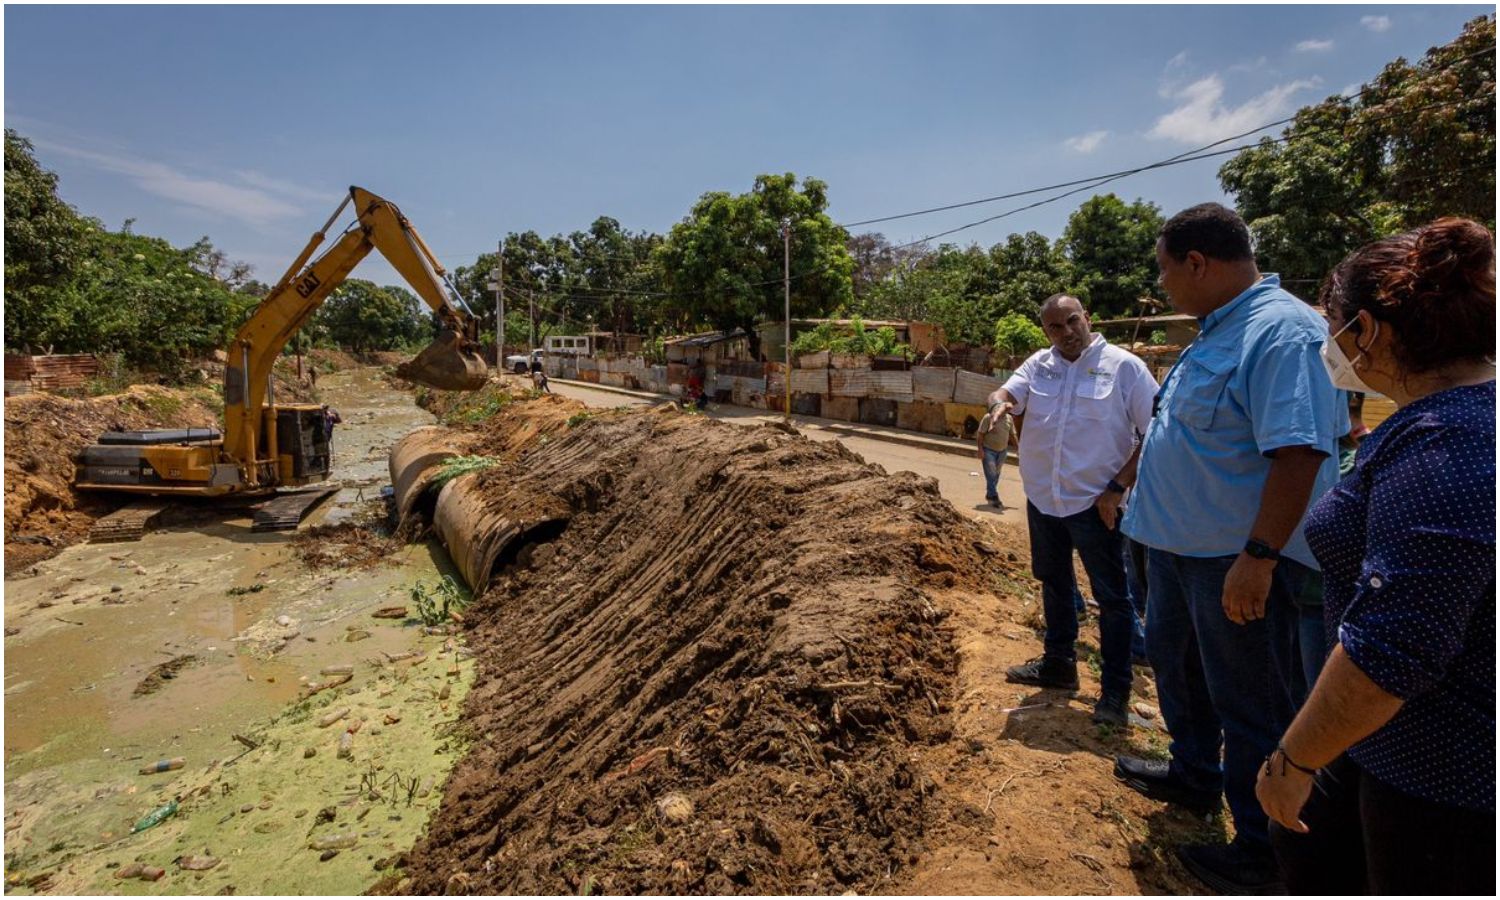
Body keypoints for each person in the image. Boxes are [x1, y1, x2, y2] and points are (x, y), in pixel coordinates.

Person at [1256, 218, 1495, 895]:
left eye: (1333, 330)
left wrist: (1294, 761)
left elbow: (1392, 650)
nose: (1330, 350)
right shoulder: (1448, 422)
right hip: (1388, 750)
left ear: (1365, 331)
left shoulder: (1450, 445)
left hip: (1442, 781)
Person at [1116, 203, 1348, 893]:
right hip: (1176, 553)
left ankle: (1259, 849)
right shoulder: (1217, 331)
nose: (1163, 287)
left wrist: (1258, 556)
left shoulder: (1280, 333)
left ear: (1197, 263)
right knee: (1181, 675)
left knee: (1249, 704)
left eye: (1164, 272)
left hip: (1232, 564)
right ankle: (1193, 775)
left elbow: (1300, 453)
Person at [988, 294, 1155, 726]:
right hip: (1045, 499)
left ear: (1088, 318)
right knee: (1054, 582)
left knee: (1113, 599)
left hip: (1095, 503)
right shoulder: (1039, 364)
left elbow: (1155, 431)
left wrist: (1117, 487)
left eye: (1072, 321)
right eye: (1055, 327)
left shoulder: (1125, 367)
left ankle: (1115, 691)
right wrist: (1000, 404)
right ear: (1046, 332)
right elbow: (1006, 391)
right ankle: (1059, 664)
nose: (1066, 333)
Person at [974, 401, 1011, 509]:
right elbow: (980, 434)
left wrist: (1018, 447)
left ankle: (990, 494)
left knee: (996, 474)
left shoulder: (1009, 419)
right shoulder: (988, 418)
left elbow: (1012, 434)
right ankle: (994, 497)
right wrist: (980, 449)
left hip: (1002, 451)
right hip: (988, 450)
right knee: (991, 473)